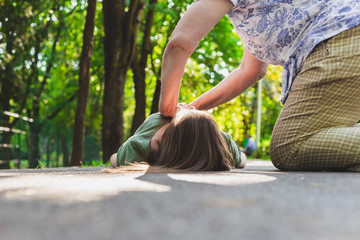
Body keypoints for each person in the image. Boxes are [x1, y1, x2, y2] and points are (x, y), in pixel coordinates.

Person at [159, 0, 360, 171]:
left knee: (289, 146)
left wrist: (167, 110)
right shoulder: (259, 10)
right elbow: (250, 71)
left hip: (342, 35)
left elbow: (180, 43)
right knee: (328, 143)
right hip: (348, 33)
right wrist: (190, 109)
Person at [110, 107, 247, 171]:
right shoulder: (221, 142)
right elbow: (242, 160)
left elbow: (114, 159)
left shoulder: (140, 145)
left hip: (158, 126)